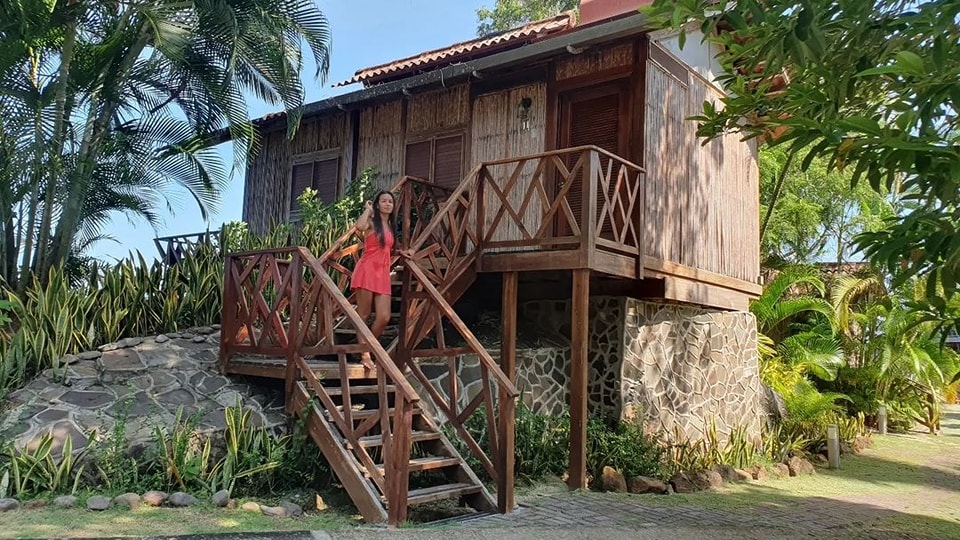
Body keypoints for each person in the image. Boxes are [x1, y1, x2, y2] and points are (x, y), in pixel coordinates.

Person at [350, 190, 410, 366]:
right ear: (377, 204)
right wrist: (368, 210)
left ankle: (366, 347)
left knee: (384, 317)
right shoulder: (371, 221)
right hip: (366, 270)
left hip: (382, 274)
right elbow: (359, 226)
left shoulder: (390, 226)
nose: (387, 204)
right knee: (364, 314)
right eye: (383, 201)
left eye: (390, 201)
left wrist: (402, 252)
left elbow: (387, 248)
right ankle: (365, 355)